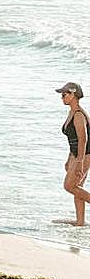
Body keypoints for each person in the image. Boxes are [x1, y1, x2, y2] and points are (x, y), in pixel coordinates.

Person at [56, 82, 89, 226]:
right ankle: (80, 221)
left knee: (69, 186)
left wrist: (80, 162)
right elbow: (73, 140)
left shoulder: (78, 114)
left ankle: (80, 220)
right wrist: (69, 158)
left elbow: (83, 139)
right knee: (77, 187)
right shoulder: (71, 112)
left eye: (64, 95)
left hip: (86, 154)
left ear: (73, 95)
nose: (62, 98)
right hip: (77, 154)